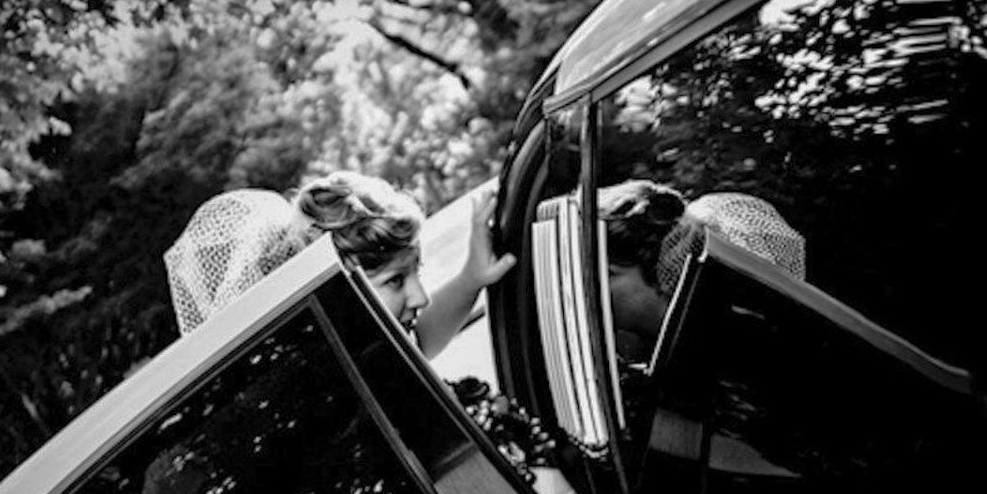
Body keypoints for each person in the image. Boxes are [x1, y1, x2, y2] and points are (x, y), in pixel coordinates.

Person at [164, 171, 512, 359]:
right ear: (338, 294)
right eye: (395, 281)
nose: (421, 297)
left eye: (415, 272)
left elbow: (417, 344)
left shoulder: (364, 356)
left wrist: (471, 278)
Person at [597, 180, 807, 359]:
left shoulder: (726, 348)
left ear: (654, 268)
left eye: (608, 274)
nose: (592, 289)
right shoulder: (630, 346)